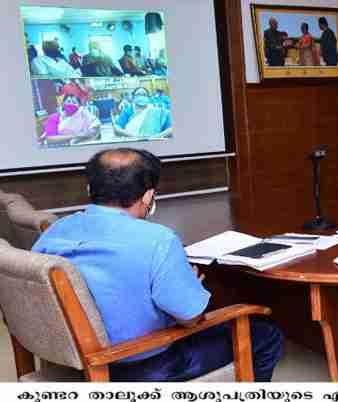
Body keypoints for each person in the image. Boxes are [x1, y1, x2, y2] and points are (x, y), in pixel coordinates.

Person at [32, 149, 284, 382]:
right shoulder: (158, 240)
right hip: (137, 365)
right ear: (148, 196)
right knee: (265, 335)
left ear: (89, 188)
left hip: (71, 361)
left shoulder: (55, 231)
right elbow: (191, 317)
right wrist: (189, 289)